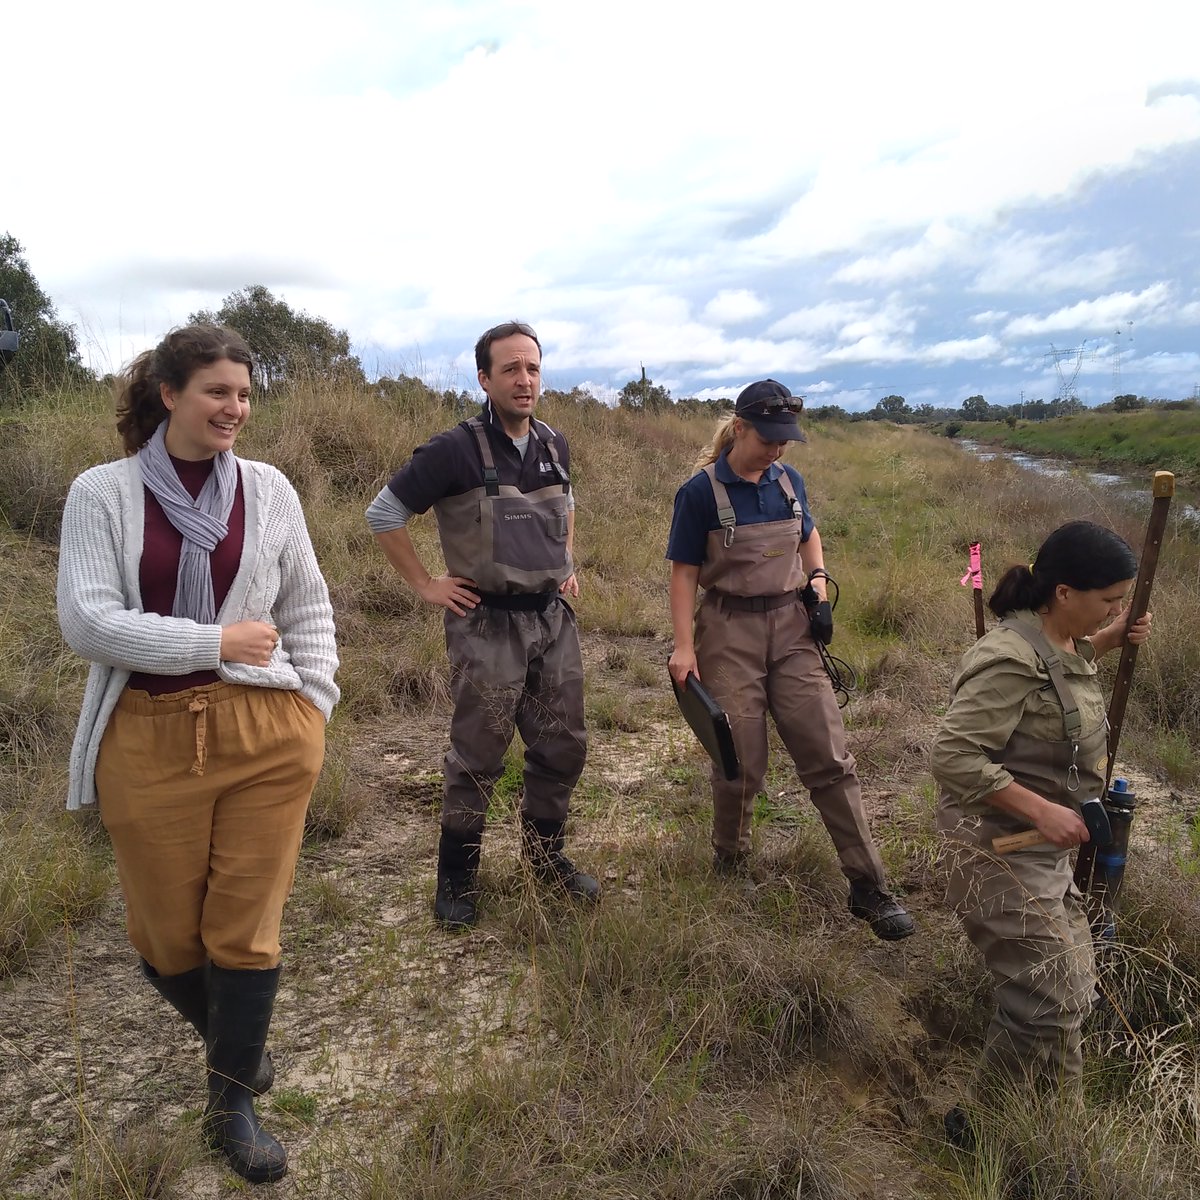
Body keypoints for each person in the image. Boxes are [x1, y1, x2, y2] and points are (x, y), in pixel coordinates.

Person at [56, 325, 339, 1184]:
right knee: (167, 937)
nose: (235, 409)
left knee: (245, 929)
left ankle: (231, 1104)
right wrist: (214, 640)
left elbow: (307, 605)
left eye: (246, 395)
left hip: (266, 733)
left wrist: (314, 705)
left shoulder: (270, 489)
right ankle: (235, 1046)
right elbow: (89, 621)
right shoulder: (100, 493)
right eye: (218, 391)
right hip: (146, 732)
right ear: (169, 393)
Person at [367, 320, 598, 929]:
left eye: (533, 368)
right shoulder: (454, 449)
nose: (525, 380)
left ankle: (545, 862)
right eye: (511, 370)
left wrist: (565, 563)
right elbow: (383, 512)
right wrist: (426, 585)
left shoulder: (553, 442)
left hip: (552, 620)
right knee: (478, 754)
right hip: (486, 623)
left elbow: (567, 503)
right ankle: (457, 881)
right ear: (484, 379)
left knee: (562, 745)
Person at [666, 379, 914, 941]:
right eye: (769, 438)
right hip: (728, 632)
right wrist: (684, 647)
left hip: (793, 629)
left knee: (829, 756)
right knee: (740, 761)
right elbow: (684, 574)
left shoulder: (788, 482)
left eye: (786, 440)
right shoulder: (699, 493)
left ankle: (868, 884)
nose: (779, 449)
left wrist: (819, 584)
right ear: (741, 428)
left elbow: (810, 535)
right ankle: (730, 858)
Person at [930, 520, 1151, 1141]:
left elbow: (1055, 687)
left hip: (1036, 853)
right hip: (994, 850)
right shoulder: (1007, 659)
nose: (1115, 609)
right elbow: (952, 755)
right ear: (1063, 593)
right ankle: (976, 1125)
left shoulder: (1056, 643)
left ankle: (1060, 1124)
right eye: (1107, 600)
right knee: (1051, 998)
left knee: (1069, 990)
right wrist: (1044, 811)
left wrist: (1103, 641)